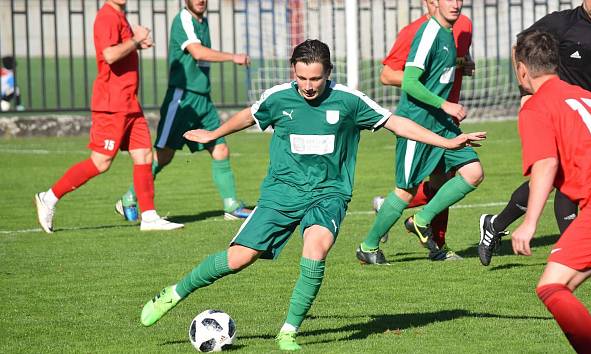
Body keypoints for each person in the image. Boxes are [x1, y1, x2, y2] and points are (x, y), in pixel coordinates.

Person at [139, 39, 486, 351]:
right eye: (302, 78)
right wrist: (213, 132)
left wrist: (448, 141)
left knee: (315, 250)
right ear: (294, 72)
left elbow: (396, 123)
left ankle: (288, 332)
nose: (307, 86)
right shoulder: (279, 97)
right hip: (281, 193)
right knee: (239, 259)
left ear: (328, 73)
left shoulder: (349, 101)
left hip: (329, 194)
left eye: (315, 79)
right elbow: (250, 116)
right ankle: (173, 293)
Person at [478, 0, 591, 266]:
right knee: (563, 176)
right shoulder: (561, 22)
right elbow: (520, 46)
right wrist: (525, 90)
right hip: (555, 110)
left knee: (558, 178)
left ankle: (495, 224)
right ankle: (573, 251)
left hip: (584, 112)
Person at [511, 29, 591, 353]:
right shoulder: (588, 97)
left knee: (552, 286)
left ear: (522, 69)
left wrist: (530, 222)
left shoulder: (536, 107)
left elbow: (546, 164)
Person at [34, 0, 183, 233]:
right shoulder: (106, 17)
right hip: (112, 105)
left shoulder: (120, 15)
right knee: (101, 162)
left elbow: (118, 49)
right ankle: (49, 197)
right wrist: (134, 40)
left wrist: (137, 44)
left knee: (144, 155)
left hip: (130, 102)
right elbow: (109, 55)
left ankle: (149, 216)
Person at [356, 0, 484, 265]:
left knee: (472, 173)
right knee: (405, 191)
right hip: (417, 123)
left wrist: (462, 64)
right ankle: (367, 247)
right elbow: (410, 82)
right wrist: (445, 103)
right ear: (433, 2)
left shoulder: (450, 32)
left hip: (442, 123)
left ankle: (422, 221)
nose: (456, 3)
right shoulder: (426, 34)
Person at [115, 0, 252, 222]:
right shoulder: (183, 19)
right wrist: (232, 56)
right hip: (182, 98)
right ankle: (130, 197)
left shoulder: (202, 21)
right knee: (164, 154)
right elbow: (197, 52)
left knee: (220, 148)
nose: (200, 0)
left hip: (202, 99)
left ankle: (231, 205)